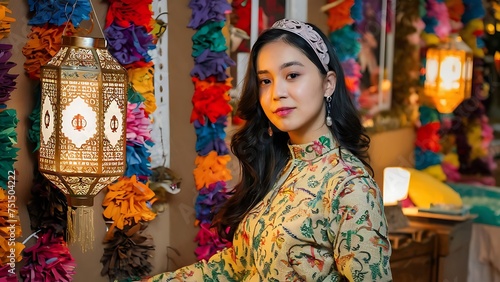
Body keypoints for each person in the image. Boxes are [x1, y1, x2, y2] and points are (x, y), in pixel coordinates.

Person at [146, 18, 392, 281]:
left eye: (292, 75)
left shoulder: (350, 185)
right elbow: (235, 266)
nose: (277, 92)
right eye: (265, 80)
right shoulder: (278, 166)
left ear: (328, 83)